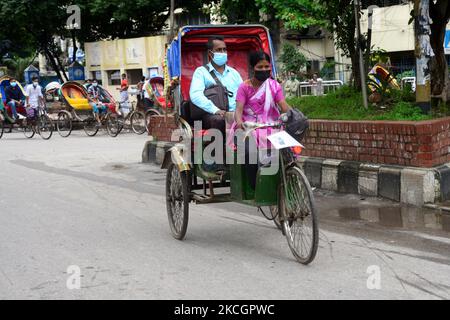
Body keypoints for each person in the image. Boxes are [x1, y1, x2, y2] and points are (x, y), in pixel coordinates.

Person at [228, 50, 291, 189]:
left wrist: (295, 116)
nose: (264, 70)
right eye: (260, 67)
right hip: (248, 127)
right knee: (249, 152)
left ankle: (290, 180)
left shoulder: (274, 86)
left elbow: (284, 106)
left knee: (288, 150)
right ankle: (256, 186)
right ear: (252, 68)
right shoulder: (244, 87)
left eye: (267, 67)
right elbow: (238, 111)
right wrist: (239, 123)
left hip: (271, 125)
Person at [189, 36, 243, 135]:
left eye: (224, 49)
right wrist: (215, 110)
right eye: (219, 50)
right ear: (210, 53)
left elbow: (243, 94)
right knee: (219, 121)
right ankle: (219, 149)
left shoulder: (234, 73)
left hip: (235, 113)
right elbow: (195, 95)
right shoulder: (201, 72)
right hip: (213, 114)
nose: (223, 53)